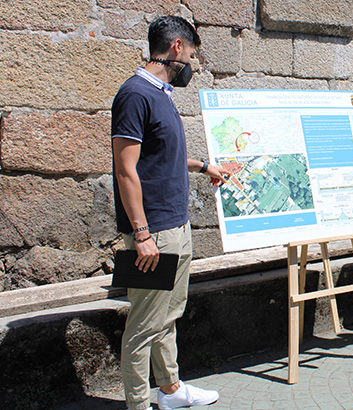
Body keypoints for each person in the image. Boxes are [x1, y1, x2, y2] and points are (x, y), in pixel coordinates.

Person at [111, 16, 231, 410]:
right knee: (144, 325)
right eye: (192, 54)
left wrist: (203, 166)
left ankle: (171, 391)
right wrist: (141, 234)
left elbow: (161, 158)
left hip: (174, 225)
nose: (192, 65)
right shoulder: (135, 95)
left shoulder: (160, 94)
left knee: (167, 315)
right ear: (177, 47)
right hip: (156, 231)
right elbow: (125, 168)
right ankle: (137, 404)